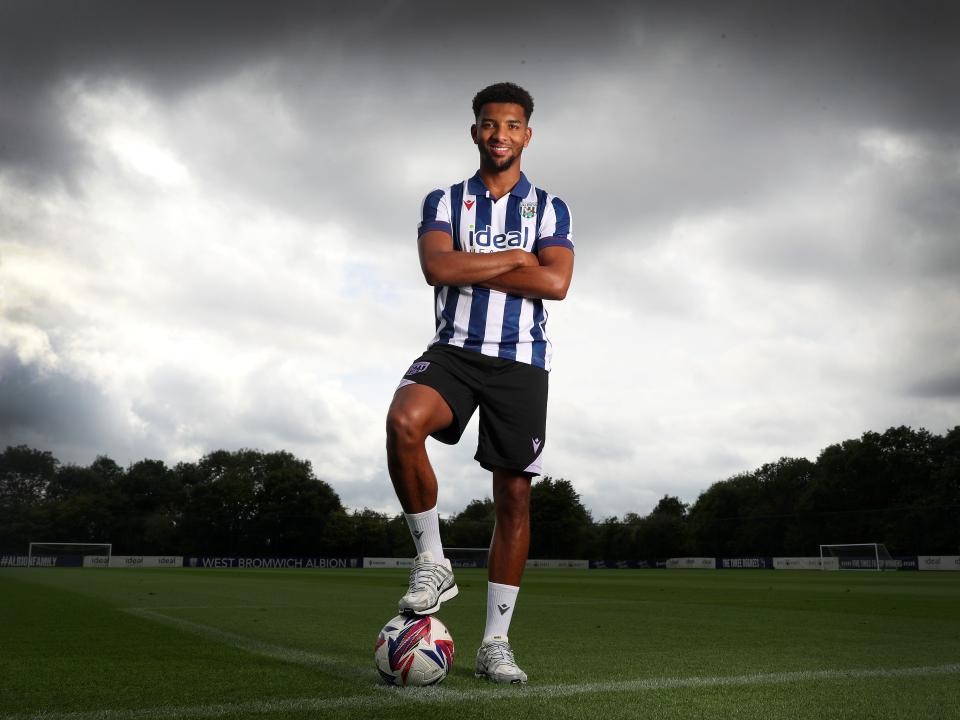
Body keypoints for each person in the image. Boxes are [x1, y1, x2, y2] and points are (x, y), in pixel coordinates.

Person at [385, 82, 574, 684]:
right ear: (475, 131)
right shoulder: (444, 201)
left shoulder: (550, 208)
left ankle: (495, 644)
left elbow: (557, 284)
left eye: (512, 125)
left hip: (522, 362)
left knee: (513, 496)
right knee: (403, 421)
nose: (500, 135)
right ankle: (434, 563)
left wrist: (483, 268)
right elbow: (436, 267)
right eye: (490, 125)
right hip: (455, 352)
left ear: (527, 134)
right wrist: (518, 260)